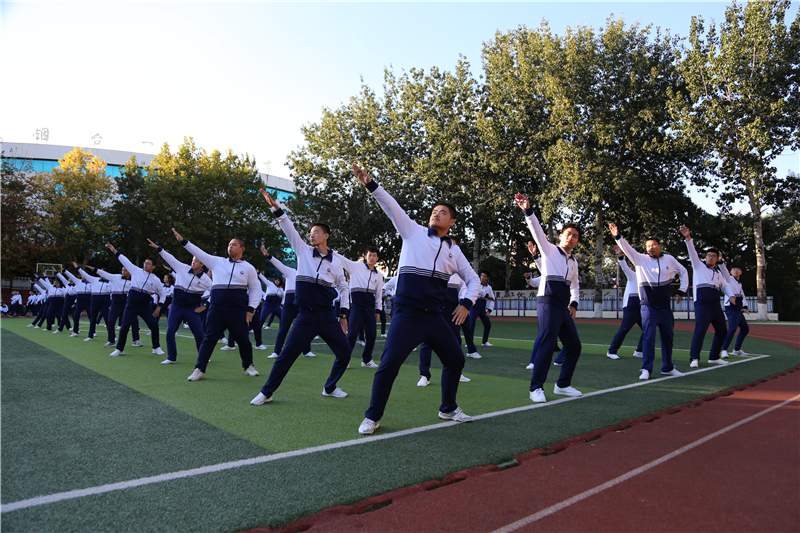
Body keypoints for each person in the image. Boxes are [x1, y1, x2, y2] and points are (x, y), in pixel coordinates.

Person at [351, 163, 480, 435]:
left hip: (435, 316)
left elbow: (474, 281)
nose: (436, 214)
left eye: (443, 213)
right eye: (434, 211)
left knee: (456, 359)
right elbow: (391, 205)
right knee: (389, 365)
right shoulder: (412, 231)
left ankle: (447, 408)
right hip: (407, 314)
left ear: (452, 222)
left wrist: (466, 304)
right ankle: (372, 416)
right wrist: (370, 184)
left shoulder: (454, 251)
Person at [251, 191, 353, 404]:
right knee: (286, 355)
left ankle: (330, 387)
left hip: (327, 317)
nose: (311, 235)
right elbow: (289, 229)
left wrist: (343, 314)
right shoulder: (303, 251)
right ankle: (267, 392)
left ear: (326, 236)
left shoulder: (336, 262)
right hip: (305, 316)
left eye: (316, 232)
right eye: (310, 233)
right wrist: (276, 208)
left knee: (344, 353)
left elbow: (344, 288)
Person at [167, 230, 261, 381]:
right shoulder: (217, 261)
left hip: (237, 310)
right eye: (229, 244)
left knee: (243, 340)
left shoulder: (249, 268)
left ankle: (248, 366)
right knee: (209, 339)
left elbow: (254, 289)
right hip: (216, 309)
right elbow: (198, 252)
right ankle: (199, 369)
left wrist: (251, 309)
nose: (230, 247)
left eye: (234, 245)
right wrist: (183, 241)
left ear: (242, 249)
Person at [516, 194, 583, 403]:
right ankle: (535, 387)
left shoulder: (573, 263)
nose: (571, 238)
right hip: (547, 303)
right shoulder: (549, 250)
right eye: (568, 234)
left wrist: (574, 303)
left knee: (574, 346)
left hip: (562, 308)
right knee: (546, 343)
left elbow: (575, 285)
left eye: (575, 236)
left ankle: (562, 385)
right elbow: (536, 230)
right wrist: (528, 210)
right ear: (561, 236)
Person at [609, 223, 689, 380]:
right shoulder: (640, 260)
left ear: (659, 245)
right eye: (647, 246)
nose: (650, 248)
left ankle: (668, 367)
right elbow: (628, 250)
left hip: (665, 308)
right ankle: (646, 369)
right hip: (648, 307)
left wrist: (682, 290)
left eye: (653, 245)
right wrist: (618, 236)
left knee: (668, 338)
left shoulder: (670, 260)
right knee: (649, 337)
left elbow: (684, 271)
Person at [417, 237, 474, 387]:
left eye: (454, 245)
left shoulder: (459, 269)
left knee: (455, 341)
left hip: (452, 310)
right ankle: (424, 375)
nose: (451, 248)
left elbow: (465, 287)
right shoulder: (433, 265)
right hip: (433, 309)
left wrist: (463, 303)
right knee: (427, 342)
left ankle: (457, 372)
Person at [147, 238, 213, 364]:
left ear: (202, 264)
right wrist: (158, 248)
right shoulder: (182, 268)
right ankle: (171, 358)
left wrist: (206, 305)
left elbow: (216, 292)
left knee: (199, 334)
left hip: (191, 308)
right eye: (193, 260)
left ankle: (204, 356)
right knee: (170, 331)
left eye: (197, 261)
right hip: (176, 306)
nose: (193, 263)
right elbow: (170, 258)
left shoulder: (205, 279)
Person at [680, 225, 737, 368]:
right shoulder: (698, 266)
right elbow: (692, 252)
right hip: (702, 304)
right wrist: (688, 238)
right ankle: (694, 358)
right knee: (700, 330)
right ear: (705, 257)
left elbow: (725, 286)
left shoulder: (718, 274)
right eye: (708, 255)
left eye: (713, 256)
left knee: (722, 331)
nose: (710, 257)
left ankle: (714, 357)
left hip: (715, 306)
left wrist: (731, 295)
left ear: (717, 259)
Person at [105, 244, 166, 357]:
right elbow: (125, 261)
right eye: (145, 263)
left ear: (153, 267)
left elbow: (163, 294)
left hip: (145, 306)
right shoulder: (136, 271)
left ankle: (156, 347)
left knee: (153, 325)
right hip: (131, 304)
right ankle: (119, 349)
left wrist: (159, 306)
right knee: (124, 326)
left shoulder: (156, 280)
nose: (145, 265)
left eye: (148, 264)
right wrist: (115, 251)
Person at [260, 246, 315, 359]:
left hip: (302, 303)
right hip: (289, 303)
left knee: (305, 327)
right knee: (284, 327)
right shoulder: (291, 272)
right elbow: (279, 264)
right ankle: (277, 351)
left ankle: (306, 351)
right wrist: (268, 256)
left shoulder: (309, 275)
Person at [334, 246, 384, 368]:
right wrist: (330, 251)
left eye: (374, 255)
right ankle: (345, 360)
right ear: (365, 256)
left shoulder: (378, 275)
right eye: (369, 255)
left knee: (372, 335)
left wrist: (378, 310)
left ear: (377, 258)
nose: (371, 258)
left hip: (370, 309)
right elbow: (343, 259)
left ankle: (366, 360)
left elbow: (378, 294)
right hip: (356, 307)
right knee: (351, 334)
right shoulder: (356, 267)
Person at [84, 264, 141, 348]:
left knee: (134, 321)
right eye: (122, 270)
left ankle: (135, 340)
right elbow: (103, 273)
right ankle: (111, 341)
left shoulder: (135, 280)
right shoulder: (116, 277)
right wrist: (93, 268)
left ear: (129, 271)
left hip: (128, 303)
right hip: (116, 304)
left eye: (125, 270)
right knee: (110, 321)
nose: (123, 272)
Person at [606, 245, 645, 360]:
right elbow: (624, 267)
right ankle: (611, 351)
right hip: (631, 306)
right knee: (625, 329)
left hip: (641, 306)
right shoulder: (633, 275)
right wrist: (620, 255)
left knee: (648, 329)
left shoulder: (647, 278)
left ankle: (639, 351)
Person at [74, 262, 113, 341]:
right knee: (92, 319)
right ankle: (90, 336)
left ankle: (112, 336)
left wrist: (111, 304)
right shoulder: (94, 280)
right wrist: (78, 268)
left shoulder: (111, 282)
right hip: (94, 302)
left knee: (107, 319)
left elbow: (113, 294)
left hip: (105, 303)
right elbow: (85, 275)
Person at [719, 261, 750, 358]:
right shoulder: (729, 280)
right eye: (733, 270)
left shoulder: (739, 283)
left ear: (741, 272)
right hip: (731, 308)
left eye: (738, 270)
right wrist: (720, 262)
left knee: (745, 329)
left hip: (738, 309)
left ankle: (737, 350)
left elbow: (742, 295)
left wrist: (745, 306)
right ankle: (724, 350)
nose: (736, 271)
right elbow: (723, 271)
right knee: (732, 329)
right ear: (730, 272)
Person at [58, 268, 93, 338]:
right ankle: (75, 331)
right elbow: (70, 276)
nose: (83, 276)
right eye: (82, 275)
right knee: (76, 317)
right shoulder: (78, 281)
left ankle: (93, 332)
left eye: (85, 275)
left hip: (88, 303)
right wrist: (64, 270)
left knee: (91, 317)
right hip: (79, 302)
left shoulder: (92, 283)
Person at [466, 271, 495, 348]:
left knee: (488, 324)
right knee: (471, 324)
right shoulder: (476, 284)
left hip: (482, 307)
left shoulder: (489, 288)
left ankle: (485, 341)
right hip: (474, 306)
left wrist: (489, 310)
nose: (482, 277)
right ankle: (469, 342)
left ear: (487, 278)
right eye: (481, 275)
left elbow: (492, 299)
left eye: (484, 276)